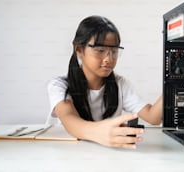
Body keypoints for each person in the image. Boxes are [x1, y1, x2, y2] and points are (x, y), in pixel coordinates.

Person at [47, 15, 162, 149]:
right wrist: (100, 132)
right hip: (67, 153)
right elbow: (70, 120)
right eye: (100, 51)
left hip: (107, 157)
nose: (108, 58)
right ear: (79, 49)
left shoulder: (120, 84)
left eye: (114, 51)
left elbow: (153, 117)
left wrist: (172, 80)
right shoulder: (59, 85)